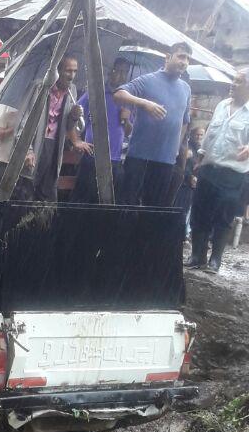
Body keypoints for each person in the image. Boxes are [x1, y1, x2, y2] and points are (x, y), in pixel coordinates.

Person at [114, 43, 192, 207]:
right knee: (127, 206)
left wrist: (176, 147)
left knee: (154, 209)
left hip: (166, 161)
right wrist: (144, 104)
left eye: (187, 59)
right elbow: (118, 94)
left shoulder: (186, 89)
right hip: (139, 157)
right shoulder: (148, 80)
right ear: (168, 57)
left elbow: (184, 121)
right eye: (181, 56)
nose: (184, 62)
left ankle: (146, 234)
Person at [188, 69, 249, 272]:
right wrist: (201, 155)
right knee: (199, 212)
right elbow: (210, 132)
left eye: (238, 82)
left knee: (223, 217)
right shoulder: (222, 105)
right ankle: (197, 256)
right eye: (233, 80)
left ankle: (215, 260)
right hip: (208, 168)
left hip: (233, 174)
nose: (233, 84)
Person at [68, 56, 132, 203]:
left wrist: (127, 119)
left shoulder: (128, 99)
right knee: (82, 202)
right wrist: (77, 140)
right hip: (92, 157)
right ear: (111, 72)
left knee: (106, 205)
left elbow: (128, 132)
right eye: (118, 71)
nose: (122, 76)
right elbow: (72, 115)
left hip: (115, 160)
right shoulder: (96, 93)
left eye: (125, 72)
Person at [24, 55, 79, 203]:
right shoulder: (40, 87)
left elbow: (68, 127)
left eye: (75, 71)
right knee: (27, 189)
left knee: (47, 192)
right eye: (68, 71)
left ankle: (40, 224)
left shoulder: (72, 91)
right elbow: (25, 119)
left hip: (54, 145)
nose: (72, 76)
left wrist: (73, 117)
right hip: (36, 143)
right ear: (58, 70)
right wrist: (27, 150)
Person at [0, 103, 35, 200]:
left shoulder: (30, 121)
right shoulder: (7, 116)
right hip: (2, 161)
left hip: (17, 165)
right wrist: (12, 130)